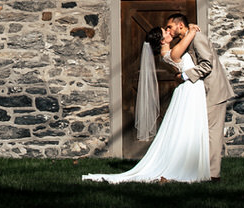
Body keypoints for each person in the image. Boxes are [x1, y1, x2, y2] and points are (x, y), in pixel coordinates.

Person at [82, 23, 210, 183]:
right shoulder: (170, 54)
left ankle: (192, 164)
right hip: (190, 90)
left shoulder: (169, 51)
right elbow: (189, 36)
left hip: (190, 88)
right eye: (166, 31)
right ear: (162, 40)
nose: (169, 31)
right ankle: (185, 166)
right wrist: (190, 29)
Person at [165, 13, 235, 181]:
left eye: (170, 26)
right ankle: (201, 170)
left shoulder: (197, 38)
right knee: (204, 132)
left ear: (180, 25)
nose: (168, 29)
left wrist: (185, 76)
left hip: (214, 91)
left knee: (213, 134)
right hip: (203, 92)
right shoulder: (189, 37)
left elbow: (208, 64)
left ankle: (213, 174)